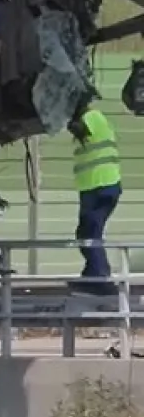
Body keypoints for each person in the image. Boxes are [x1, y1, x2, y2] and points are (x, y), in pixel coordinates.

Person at [69, 103, 122, 297]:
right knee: (88, 232)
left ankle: (100, 280)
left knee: (89, 234)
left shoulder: (92, 116)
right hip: (100, 186)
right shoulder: (95, 119)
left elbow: (79, 128)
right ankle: (91, 277)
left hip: (99, 186)